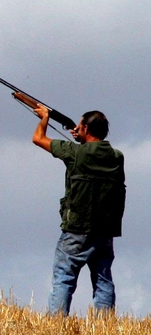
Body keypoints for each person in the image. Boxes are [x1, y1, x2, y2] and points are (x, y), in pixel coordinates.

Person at [32, 104, 125, 316]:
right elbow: (92, 152)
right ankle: (105, 327)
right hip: (105, 230)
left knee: (64, 276)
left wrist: (44, 117)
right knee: (103, 279)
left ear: (84, 128)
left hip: (76, 228)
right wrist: (82, 138)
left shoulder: (74, 153)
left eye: (80, 125)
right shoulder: (117, 157)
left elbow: (38, 138)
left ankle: (56, 324)